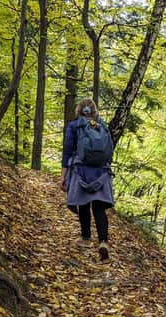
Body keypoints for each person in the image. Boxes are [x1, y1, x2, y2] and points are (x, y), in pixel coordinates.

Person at [61, 98, 115, 262]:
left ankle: (86, 238)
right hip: (100, 172)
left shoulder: (74, 126)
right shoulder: (102, 125)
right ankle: (103, 242)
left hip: (81, 169)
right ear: (94, 111)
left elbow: (68, 150)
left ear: (79, 111)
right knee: (99, 208)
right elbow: (109, 150)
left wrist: (63, 174)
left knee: (83, 203)